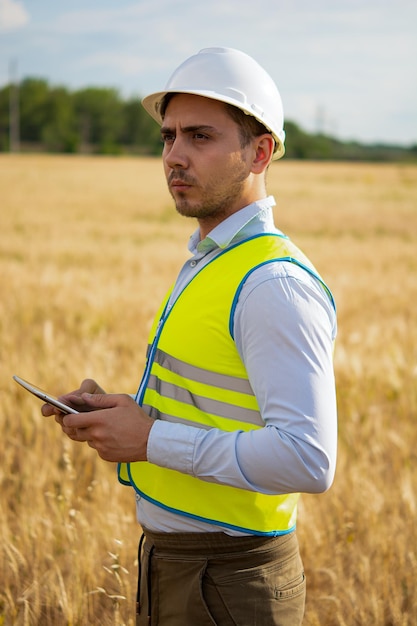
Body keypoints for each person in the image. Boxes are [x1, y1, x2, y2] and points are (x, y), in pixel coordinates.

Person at [42, 47, 337, 625]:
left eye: (199, 137)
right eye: (168, 137)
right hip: (180, 565)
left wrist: (150, 440)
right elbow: (215, 406)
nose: (174, 156)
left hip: (229, 577)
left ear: (260, 152)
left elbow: (309, 459)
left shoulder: (270, 283)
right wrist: (127, 413)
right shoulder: (211, 260)